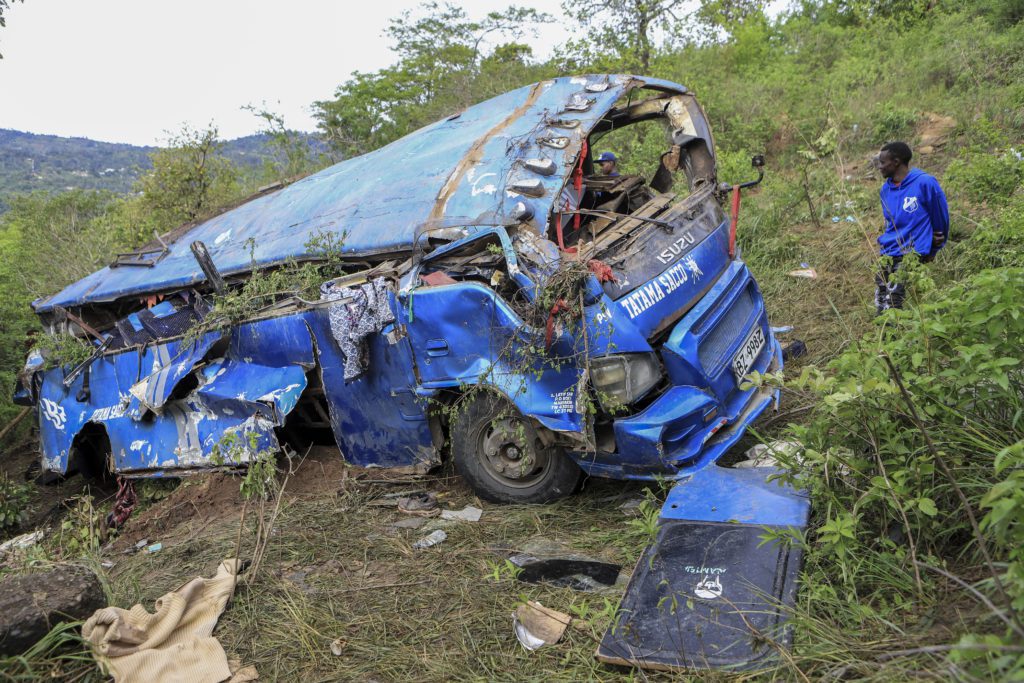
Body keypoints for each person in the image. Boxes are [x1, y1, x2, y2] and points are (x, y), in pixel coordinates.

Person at [874, 141, 949, 313]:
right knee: (880, 298)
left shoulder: (925, 183)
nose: (880, 167)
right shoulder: (885, 190)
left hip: (911, 251)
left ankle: (895, 335)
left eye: (883, 162)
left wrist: (934, 247)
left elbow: (940, 218)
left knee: (893, 299)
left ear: (896, 162)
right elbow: (890, 223)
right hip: (888, 250)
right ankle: (883, 337)